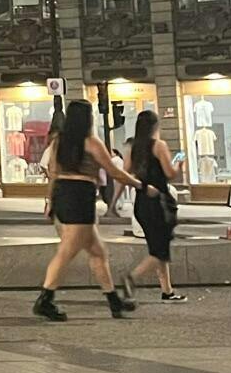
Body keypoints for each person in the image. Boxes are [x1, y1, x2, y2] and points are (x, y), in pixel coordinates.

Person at [34, 98, 151, 321]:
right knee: (66, 252)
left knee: (98, 252)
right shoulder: (91, 142)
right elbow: (114, 172)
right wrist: (141, 185)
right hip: (80, 196)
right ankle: (45, 299)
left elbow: (53, 173)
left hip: (63, 194)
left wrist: (50, 201)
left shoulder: (59, 142)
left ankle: (113, 301)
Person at [127, 109, 187, 302]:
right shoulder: (159, 145)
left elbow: (125, 173)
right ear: (155, 126)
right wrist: (179, 163)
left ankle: (167, 290)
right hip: (159, 203)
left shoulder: (133, 148)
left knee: (158, 246)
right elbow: (170, 174)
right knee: (160, 249)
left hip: (141, 202)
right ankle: (132, 277)